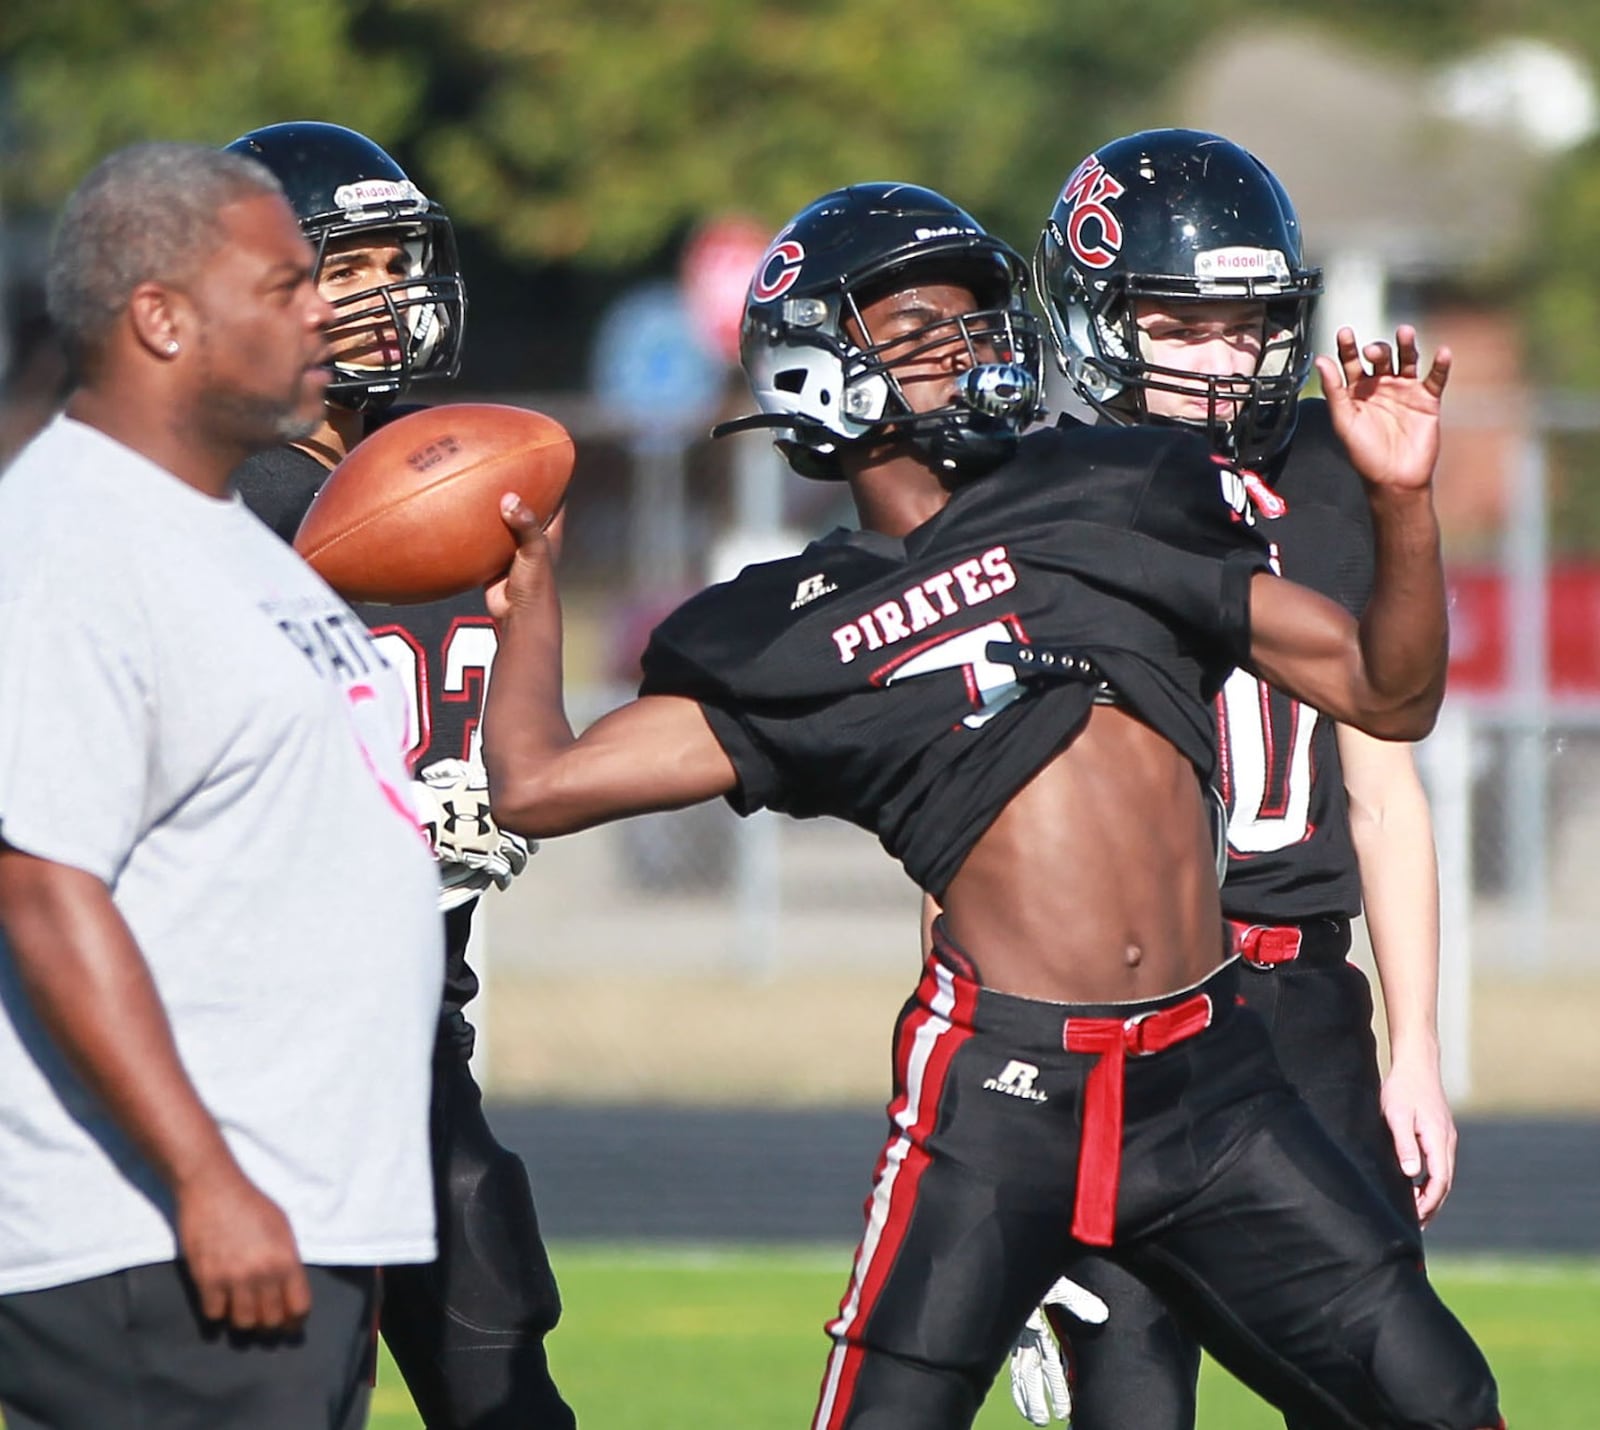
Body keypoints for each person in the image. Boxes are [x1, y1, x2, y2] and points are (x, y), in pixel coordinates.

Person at [478, 180, 1501, 1430]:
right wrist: (526, 598)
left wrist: (1402, 506)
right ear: (818, 369)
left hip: (1209, 1068)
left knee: (1440, 1397)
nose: (969, 348)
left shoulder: (1111, 493)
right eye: (921, 330)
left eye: (976, 320)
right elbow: (537, 784)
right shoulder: (793, 633)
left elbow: (1386, 700)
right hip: (1004, 1093)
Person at [1007, 127, 1457, 1430]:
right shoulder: (1037, 501)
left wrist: (1415, 1045)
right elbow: (984, 842)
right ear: (1101, 317)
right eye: (1184, 325)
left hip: (1303, 992)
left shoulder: (1334, 474)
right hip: (1121, 1005)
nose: (1223, 359)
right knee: (1133, 1398)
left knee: (1384, 1391)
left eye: (1248, 326)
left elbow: (1385, 790)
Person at [0, 142, 441, 1428]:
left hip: (290, 1215)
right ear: (161, 317)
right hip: (154, 1241)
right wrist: (206, 1181)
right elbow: (39, 881)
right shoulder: (74, 538)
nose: (325, 310)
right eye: (285, 283)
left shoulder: (221, 538)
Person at [222, 121, 574, 1430]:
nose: (388, 293)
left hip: (417, 1052)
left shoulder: (459, 481)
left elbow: (524, 756)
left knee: (511, 1392)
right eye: (346, 267)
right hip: (248, 1066)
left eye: (396, 261)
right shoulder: (202, 495)